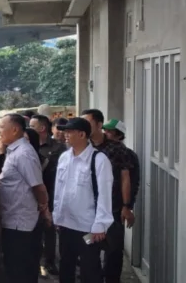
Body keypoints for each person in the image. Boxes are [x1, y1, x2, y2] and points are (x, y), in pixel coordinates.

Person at [53, 118, 114, 283]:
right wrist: (56, 216)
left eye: (69, 132)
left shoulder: (99, 160)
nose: (65, 135)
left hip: (88, 228)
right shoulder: (64, 157)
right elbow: (59, 191)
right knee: (66, 266)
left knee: (90, 269)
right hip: (66, 225)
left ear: (82, 134)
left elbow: (105, 195)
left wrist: (100, 225)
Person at [0, 114, 51, 283]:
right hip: (15, 221)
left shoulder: (23, 154)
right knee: (17, 268)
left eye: (2, 127)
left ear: (15, 129)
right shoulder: (15, 151)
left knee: (20, 270)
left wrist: (44, 208)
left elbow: (38, 187)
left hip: (21, 224)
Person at [81, 110, 135, 283]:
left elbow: (126, 178)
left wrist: (127, 206)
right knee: (89, 249)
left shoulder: (117, 149)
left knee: (113, 252)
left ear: (98, 125)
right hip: (87, 211)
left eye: (87, 123)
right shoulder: (81, 147)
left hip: (113, 209)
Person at [101, 118, 141, 283]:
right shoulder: (99, 151)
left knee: (114, 248)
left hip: (116, 208)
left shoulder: (128, 155)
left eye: (110, 131)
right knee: (90, 241)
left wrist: (128, 207)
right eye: (105, 130)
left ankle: (112, 279)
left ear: (119, 135)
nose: (106, 133)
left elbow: (133, 183)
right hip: (99, 207)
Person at [29, 115, 66, 275]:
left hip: (52, 193)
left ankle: (49, 262)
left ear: (42, 128)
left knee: (49, 231)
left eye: (32, 125)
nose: (28, 129)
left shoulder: (59, 148)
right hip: (31, 196)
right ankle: (36, 263)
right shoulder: (29, 147)